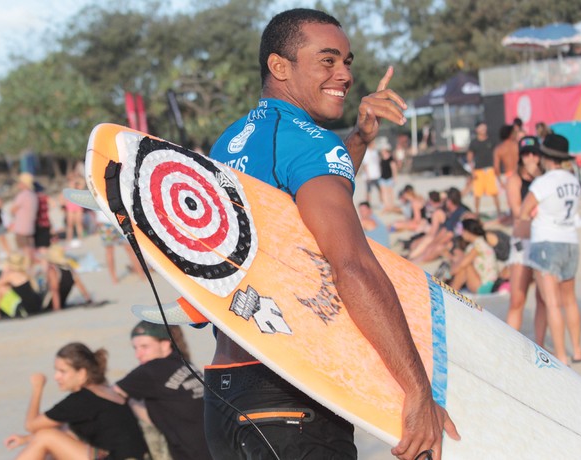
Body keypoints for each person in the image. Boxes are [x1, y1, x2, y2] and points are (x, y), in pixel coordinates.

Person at [208, 8, 458, 460]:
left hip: (226, 392)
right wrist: (417, 388)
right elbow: (352, 265)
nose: (343, 74)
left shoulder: (232, 141)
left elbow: (299, 214)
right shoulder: (310, 141)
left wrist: (359, 139)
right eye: (328, 60)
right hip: (291, 393)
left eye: (347, 61)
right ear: (279, 66)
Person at [4, 342, 149, 459]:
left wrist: (37, 388)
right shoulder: (103, 391)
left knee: (45, 437)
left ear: (82, 373)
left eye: (63, 371)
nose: (56, 377)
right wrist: (26, 440)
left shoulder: (83, 399)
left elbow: (32, 425)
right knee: (49, 447)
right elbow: (69, 433)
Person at [520, 134, 581, 366]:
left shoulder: (544, 182)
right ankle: (577, 350)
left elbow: (523, 210)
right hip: (570, 241)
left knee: (552, 303)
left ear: (545, 156)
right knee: (570, 300)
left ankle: (561, 356)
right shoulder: (573, 180)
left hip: (546, 243)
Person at [114, 322, 211, 460]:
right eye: (135, 348)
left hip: (190, 454)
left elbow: (112, 393)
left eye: (144, 347)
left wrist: (133, 403)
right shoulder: (184, 363)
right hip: (214, 448)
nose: (138, 354)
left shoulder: (152, 369)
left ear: (165, 344)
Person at [505, 136, 546, 344]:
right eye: (526, 154)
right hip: (522, 243)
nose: (531, 158)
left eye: (534, 154)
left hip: (542, 243)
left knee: (543, 299)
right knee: (517, 299)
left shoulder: (545, 178)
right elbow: (518, 212)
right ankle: (510, 344)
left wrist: (539, 176)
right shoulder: (514, 180)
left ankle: (539, 344)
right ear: (521, 157)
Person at [0, 253, 44, 322]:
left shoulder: (12, 275)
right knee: (4, 288)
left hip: (24, 310)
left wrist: (4, 273)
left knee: (0, 290)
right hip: (33, 308)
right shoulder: (24, 273)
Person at [447, 219, 499, 294]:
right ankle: (450, 290)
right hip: (487, 284)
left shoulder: (478, 245)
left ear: (468, 231)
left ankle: (450, 292)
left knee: (466, 266)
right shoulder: (480, 242)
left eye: (462, 231)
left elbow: (463, 264)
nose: (462, 234)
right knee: (464, 265)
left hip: (484, 287)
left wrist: (448, 274)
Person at [466, 121, 501, 218]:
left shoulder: (491, 141)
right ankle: (476, 212)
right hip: (478, 170)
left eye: (484, 128)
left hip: (490, 169)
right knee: (477, 193)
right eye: (481, 128)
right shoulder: (474, 143)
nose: (483, 130)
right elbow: (469, 157)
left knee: (494, 192)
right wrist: (472, 170)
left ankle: (499, 212)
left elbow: (496, 154)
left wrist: (496, 167)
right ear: (477, 130)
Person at [44, 244, 93, 312]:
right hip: (56, 304)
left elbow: (55, 290)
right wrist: (88, 300)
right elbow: (79, 284)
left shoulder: (55, 269)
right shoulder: (66, 268)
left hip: (53, 304)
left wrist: (57, 309)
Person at [10, 173, 39, 265]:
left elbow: (13, 209)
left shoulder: (22, 195)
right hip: (30, 226)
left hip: (21, 227)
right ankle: (31, 264)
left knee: (24, 250)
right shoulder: (33, 195)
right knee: (30, 248)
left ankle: (27, 266)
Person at [493, 124, 519, 189]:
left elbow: (496, 168)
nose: (516, 134)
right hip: (519, 174)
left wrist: (501, 182)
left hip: (508, 176)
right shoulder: (518, 146)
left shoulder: (499, 149)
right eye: (514, 132)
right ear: (510, 134)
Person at [360, 139, 381, 205]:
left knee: (380, 189)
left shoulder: (375, 152)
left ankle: (381, 203)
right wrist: (368, 175)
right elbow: (365, 165)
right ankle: (368, 203)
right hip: (369, 175)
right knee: (368, 190)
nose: (375, 145)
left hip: (376, 174)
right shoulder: (366, 153)